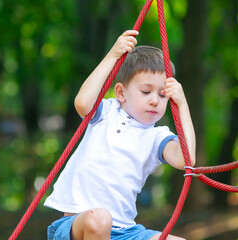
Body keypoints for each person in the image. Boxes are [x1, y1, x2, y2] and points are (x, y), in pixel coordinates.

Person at [44, 30, 196, 240]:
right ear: (121, 93)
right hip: (78, 226)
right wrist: (113, 55)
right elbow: (82, 103)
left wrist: (182, 104)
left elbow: (185, 159)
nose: (155, 100)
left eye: (162, 95)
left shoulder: (156, 137)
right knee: (100, 219)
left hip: (126, 232)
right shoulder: (106, 112)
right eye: (146, 91)